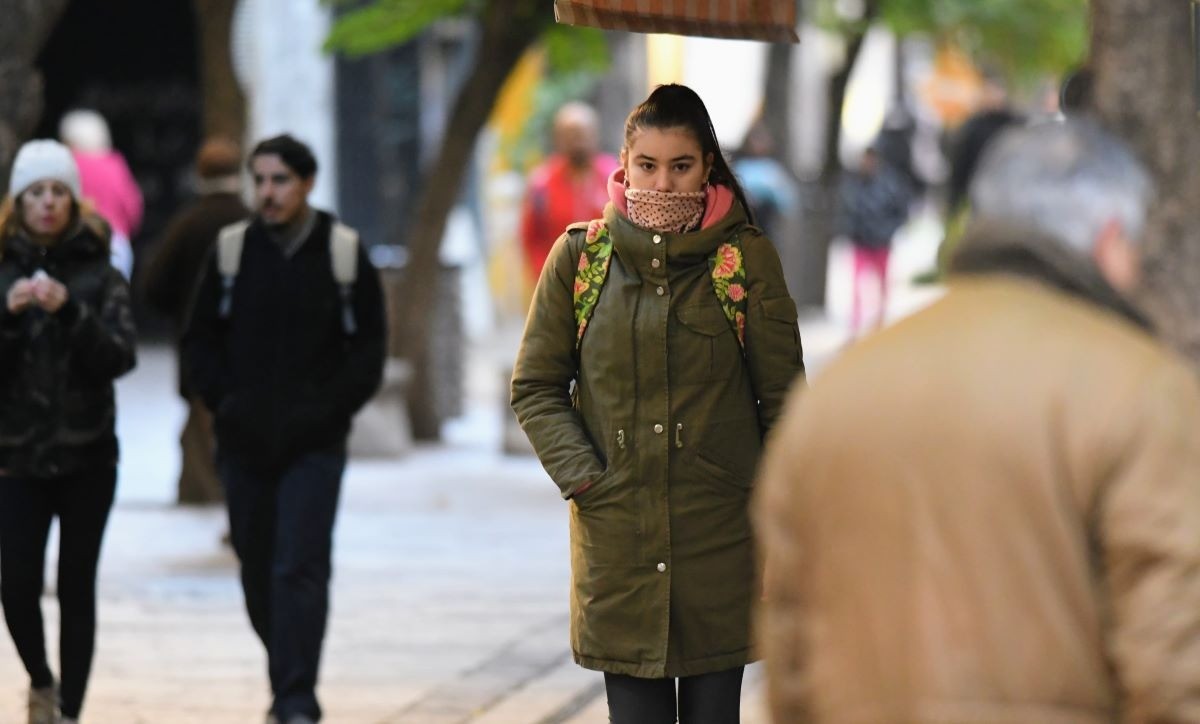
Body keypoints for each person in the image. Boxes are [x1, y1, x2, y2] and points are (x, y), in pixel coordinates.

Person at [755, 120, 1200, 723]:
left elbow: (787, 644)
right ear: (1110, 238)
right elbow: (1175, 664)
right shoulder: (1142, 390)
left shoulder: (840, 390)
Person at [511, 84, 805, 723]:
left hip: (719, 536)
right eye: (647, 165)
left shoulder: (743, 260)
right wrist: (586, 477)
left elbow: (785, 401)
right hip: (619, 534)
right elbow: (535, 386)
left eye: (681, 167)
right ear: (623, 163)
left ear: (708, 167)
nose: (663, 184)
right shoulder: (580, 260)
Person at [182, 134, 386, 724]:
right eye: (260, 181)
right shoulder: (231, 251)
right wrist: (226, 402)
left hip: (315, 445)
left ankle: (296, 698)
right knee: (256, 564)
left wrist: (330, 410)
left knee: (299, 564)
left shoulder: (342, 252)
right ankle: (288, 667)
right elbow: (199, 340)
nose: (267, 194)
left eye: (280, 181)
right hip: (244, 443)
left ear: (307, 184)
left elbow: (368, 349)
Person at [0, 140, 137, 724]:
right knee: (16, 584)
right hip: (15, 457)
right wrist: (7, 319)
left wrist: (71, 314)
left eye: (59, 192)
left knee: (77, 587)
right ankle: (41, 680)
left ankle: (71, 712)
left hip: (87, 455)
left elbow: (120, 356)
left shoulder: (100, 273)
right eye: (37, 193)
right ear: (18, 203)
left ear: (74, 201)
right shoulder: (2, 273)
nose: (49, 204)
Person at [143, 137, 249, 505]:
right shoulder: (253, 223)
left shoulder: (188, 224)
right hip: (246, 353)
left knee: (204, 433)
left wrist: (182, 311)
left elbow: (153, 285)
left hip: (198, 351)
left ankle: (212, 499)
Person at [519, 101, 618, 285]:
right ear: (558, 138)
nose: (577, 142)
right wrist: (546, 276)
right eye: (570, 135)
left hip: (610, 284)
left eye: (582, 134)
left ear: (595, 134)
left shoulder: (616, 179)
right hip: (560, 284)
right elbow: (531, 238)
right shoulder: (542, 184)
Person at [58, 109, 143, 280]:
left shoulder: (66, 163)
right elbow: (132, 208)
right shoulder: (115, 164)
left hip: (76, 242)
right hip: (117, 243)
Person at [836, 145, 912, 335]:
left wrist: (887, 231)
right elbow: (846, 210)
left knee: (883, 284)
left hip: (881, 243)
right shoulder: (854, 184)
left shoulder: (889, 184)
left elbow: (900, 212)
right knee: (858, 285)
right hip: (861, 242)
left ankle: (880, 322)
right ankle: (855, 325)